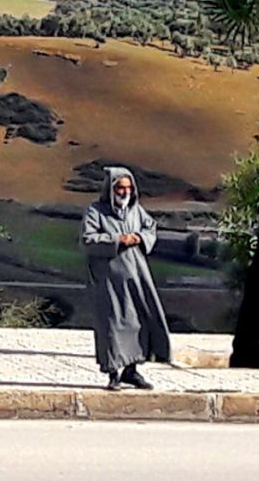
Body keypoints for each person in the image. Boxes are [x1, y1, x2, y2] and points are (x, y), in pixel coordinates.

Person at [80, 165, 172, 390]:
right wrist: (118, 240)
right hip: (108, 281)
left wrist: (139, 237)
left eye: (128, 188)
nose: (125, 192)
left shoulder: (136, 211)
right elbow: (88, 239)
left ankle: (132, 370)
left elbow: (150, 228)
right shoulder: (95, 212)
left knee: (138, 322)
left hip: (136, 278)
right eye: (120, 188)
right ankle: (113, 373)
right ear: (110, 189)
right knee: (112, 325)